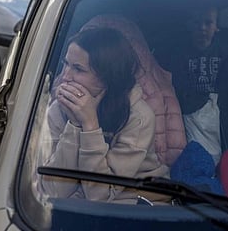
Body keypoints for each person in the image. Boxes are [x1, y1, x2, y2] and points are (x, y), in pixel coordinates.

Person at [40, 27, 169, 203]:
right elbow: (55, 191)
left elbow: (100, 195)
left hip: (134, 200)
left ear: (107, 76)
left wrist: (90, 125)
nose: (65, 77)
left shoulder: (138, 118)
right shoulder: (59, 109)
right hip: (77, 202)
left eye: (78, 69)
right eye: (66, 64)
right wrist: (74, 125)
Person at [165, 4, 228, 164]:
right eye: (196, 22)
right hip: (188, 115)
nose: (202, 28)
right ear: (188, 25)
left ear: (217, 27)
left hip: (220, 114)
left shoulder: (227, 51)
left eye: (208, 23)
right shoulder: (177, 54)